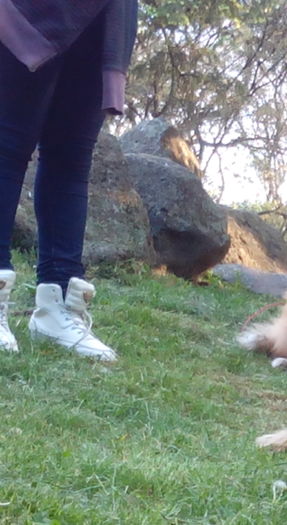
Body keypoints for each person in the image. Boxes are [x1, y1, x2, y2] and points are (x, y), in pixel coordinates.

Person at [0, 0, 138, 361]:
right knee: (8, 144)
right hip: (35, 9)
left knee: (71, 158)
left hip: (107, 18)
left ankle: (56, 307)